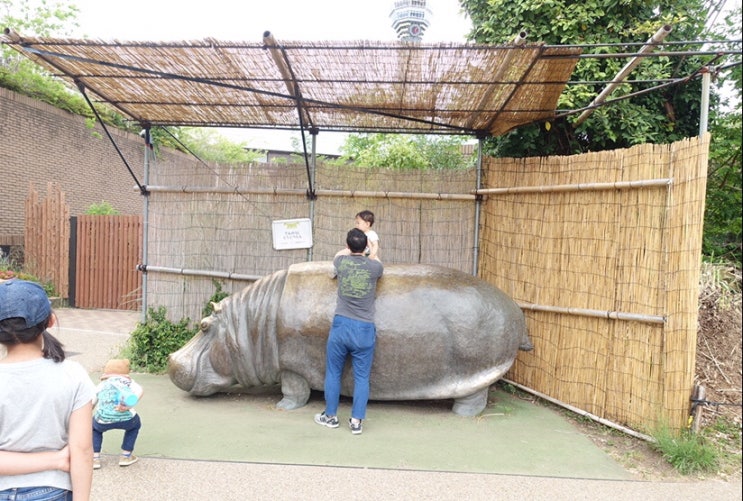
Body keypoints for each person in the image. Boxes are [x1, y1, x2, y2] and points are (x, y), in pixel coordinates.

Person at [0, 279, 94, 500]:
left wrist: (54, 460)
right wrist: (56, 460)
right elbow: (81, 451)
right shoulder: (73, 374)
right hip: (53, 489)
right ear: (50, 320)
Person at [314, 228, 384, 435]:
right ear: (365, 246)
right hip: (364, 328)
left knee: (333, 372)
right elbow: (376, 260)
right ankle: (356, 422)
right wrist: (373, 248)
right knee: (361, 377)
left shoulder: (341, 262)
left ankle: (330, 416)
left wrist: (348, 249)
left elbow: (338, 255)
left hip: (341, 326)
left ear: (347, 245)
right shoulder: (374, 268)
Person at [92, 358, 143, 469]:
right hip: (127, 419)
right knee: (135, 425)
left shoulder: (102, 384)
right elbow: (140, 390)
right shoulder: (128, 382)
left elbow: (92, 402)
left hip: (102, 420)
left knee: (94, 428)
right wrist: (128, 406)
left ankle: (95, 458)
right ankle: (126, 456)